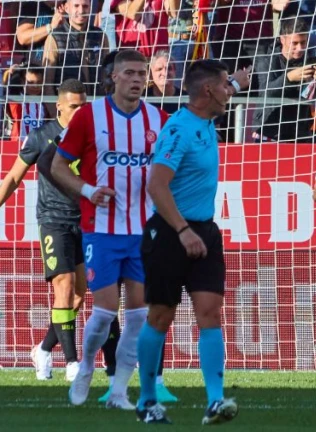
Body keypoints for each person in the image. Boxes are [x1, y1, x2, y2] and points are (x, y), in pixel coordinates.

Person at [135, 59, 250, 424]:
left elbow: (223, 87)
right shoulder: (178, 130)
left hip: (205, 231)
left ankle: (215, 401)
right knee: (161, 315)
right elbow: (157, 185)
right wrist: (183, 231)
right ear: (208, 91)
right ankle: (147, 401)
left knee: (210, 313)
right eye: (225, 86)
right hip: (171, 232)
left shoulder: (207, 118)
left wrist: (236, 80)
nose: (230, 93)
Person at [52, 49, 167, 410]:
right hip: (101, 229)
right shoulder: (90, 116)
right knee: (103, 313)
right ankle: (86, 365)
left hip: (143, 232)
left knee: (138, 316)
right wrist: (88, 191)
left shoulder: (159, 119)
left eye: (142, 73)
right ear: (114, 77)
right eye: (130, 73)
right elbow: (57, 166)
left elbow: (169, 169)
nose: (137, 79)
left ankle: (119, 391)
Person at [0, 79, 86, 382]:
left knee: (79, 296)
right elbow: (13, 178)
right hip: (53, 220)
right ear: (59, 106)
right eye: (73, 106)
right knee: (64, 285)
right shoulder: (40, 137)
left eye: (83, 106)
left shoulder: (92, 136)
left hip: (85, 222)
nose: (79, 112)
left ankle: (43, 349)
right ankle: (72, 363)